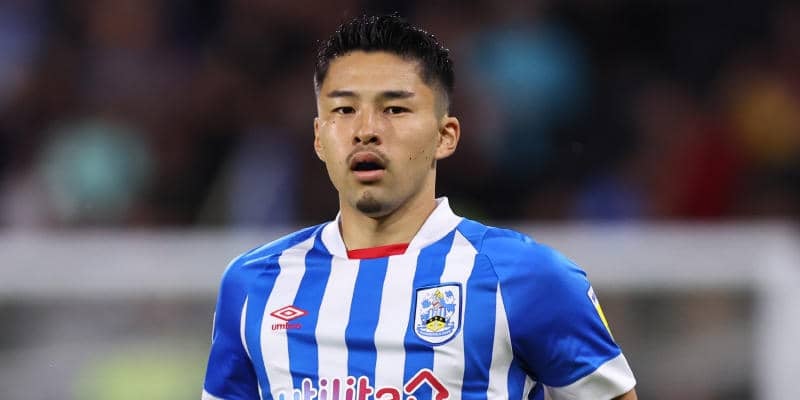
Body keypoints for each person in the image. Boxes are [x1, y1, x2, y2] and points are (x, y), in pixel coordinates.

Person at [202, 14, 637, 400]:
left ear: (445, 136)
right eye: (344, 109)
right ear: (319, 137)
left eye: (394, 108)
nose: (366, 130)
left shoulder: (527, 278)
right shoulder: (254, 285)